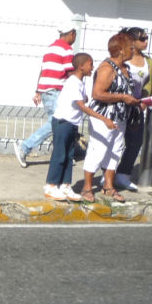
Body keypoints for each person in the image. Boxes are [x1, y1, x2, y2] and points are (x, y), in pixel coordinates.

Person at [43, 52, 114, 202]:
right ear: (81, 66)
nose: (92, 67)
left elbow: (82, 99)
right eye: (90, 64)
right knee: (60, 154)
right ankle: (51, 185)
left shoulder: (80, 82)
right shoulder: (73, 82)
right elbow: (82, 106)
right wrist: (104, 119)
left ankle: (65, 185)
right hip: (63, 123)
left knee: (69, 155)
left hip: (72, 124)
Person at [82, 33, 139, 203]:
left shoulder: (125, 68)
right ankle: (87, 188)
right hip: (103, 117)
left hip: (120, 117)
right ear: (121, 50)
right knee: (98, 150)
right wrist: (122, 97)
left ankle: (108, 186)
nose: (133, 51)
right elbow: (97, 94)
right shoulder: (107, 68)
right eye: (131, 48)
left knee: (115, 150)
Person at [14, 21, 77, 167]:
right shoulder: (67, 49)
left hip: (46, 91)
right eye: (75, 35)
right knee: (56, 123)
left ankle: (63, 154)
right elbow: (70, 72)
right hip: (56, 90)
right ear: (72, 33)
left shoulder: (50, 48)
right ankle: (25, 147)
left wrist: (38, 91)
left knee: (57, 123)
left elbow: (43, 70)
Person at [115, 26, 151, 192]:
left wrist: (142, 103)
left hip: (137, 106)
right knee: (113, 140)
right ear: (132, 41)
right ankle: (106, 174)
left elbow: (149, 85)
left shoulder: (148, 61)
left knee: (135, 141)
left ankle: (123, 173)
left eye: (146, 38)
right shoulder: (123, 58)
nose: (146, 41)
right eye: (142, 38)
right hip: (120, 105)